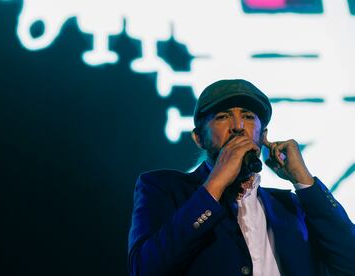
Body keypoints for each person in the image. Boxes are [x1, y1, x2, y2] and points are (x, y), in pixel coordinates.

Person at [128, 79, 355, 275]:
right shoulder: (164, 188)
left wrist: (303, 179)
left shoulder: (290, 206)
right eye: (223, 117)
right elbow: (146, 269)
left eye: (248, 116)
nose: (238, 126)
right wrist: (216, 183)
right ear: (199, 137)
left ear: (262, 136)